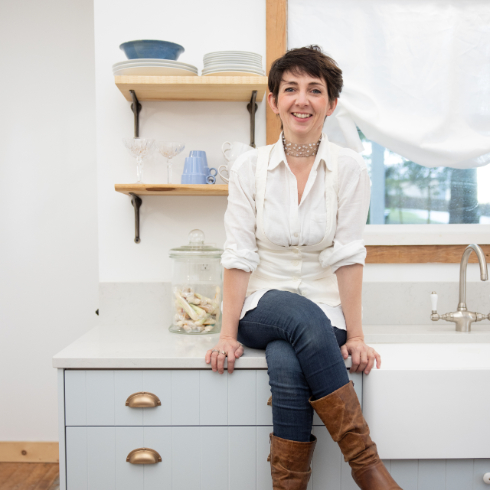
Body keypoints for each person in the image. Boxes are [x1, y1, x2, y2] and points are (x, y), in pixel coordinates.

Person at [204, 45, 401, 490]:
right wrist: (227, 334)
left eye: (315, 90)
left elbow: (348, 256)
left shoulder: (349, 169)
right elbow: (238, 254)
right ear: (273, 100)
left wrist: (356, 336)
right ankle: (367, 466)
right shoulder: (248, 168)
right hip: (260, 307)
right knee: (295, 314)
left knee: (287, 362)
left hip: (325, 314)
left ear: (331, 104)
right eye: (290, 88)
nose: (302, 99)